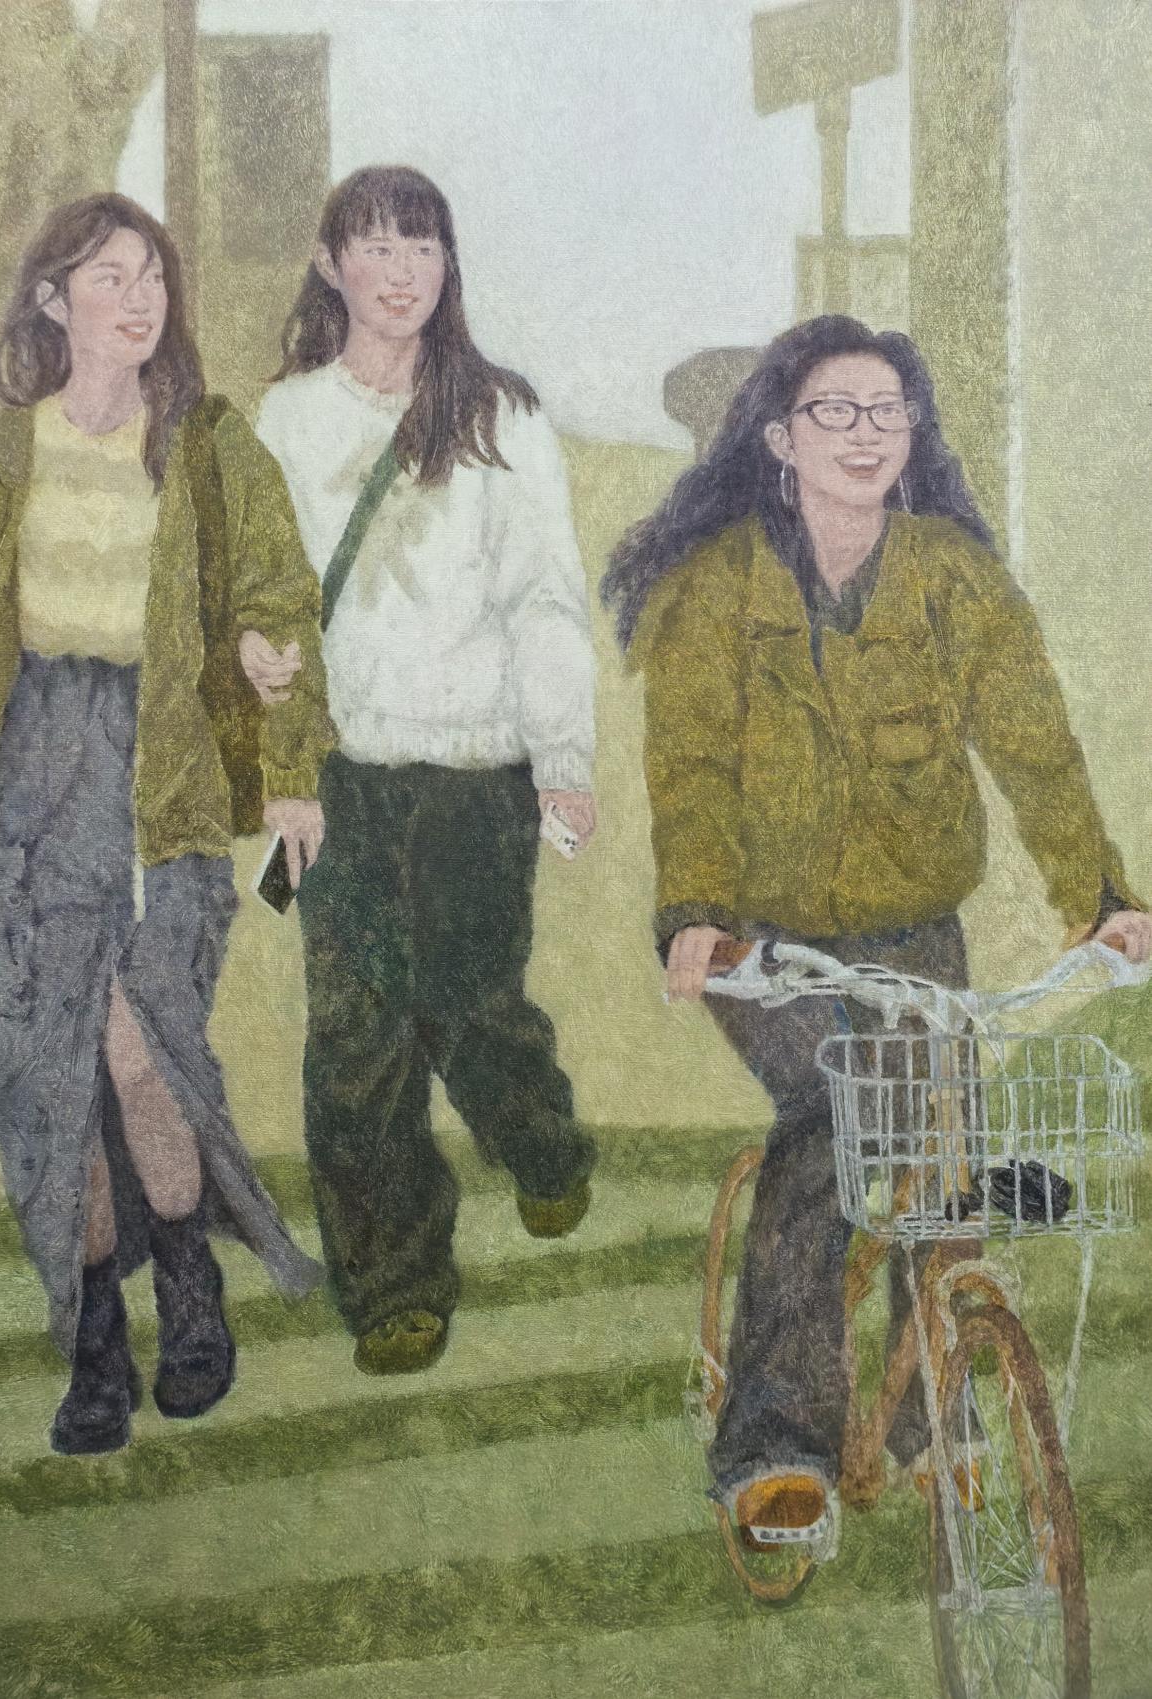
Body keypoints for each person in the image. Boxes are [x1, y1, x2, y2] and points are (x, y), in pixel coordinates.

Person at [601, 314, 1149, 1550]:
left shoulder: (952, 575)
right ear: (779, 437)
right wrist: (697, 918)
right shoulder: (713, 589)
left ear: (912, 435)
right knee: (834, 1115)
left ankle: (933, 1414)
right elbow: (689, 770)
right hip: (762, 940)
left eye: (885, 411)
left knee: (942, 1142)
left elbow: (1033, 745)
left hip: (913, 928)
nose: (862, 433)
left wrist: (1101, 895)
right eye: (833, 411)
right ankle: (775, 1443)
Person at [0, 193, 336, 1456]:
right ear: (53, 300)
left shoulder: (208, 444)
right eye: (108, 276)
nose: (139, 299)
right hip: (32, 783)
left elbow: (278, 600)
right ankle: (96, 1331)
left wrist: (282, 741)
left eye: (152, 275)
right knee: (50, 1074)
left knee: (145, 1053)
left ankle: (190, 1284)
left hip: (163, 779)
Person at [250, 165, 597, 1377]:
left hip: (477, 770)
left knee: (473, 1003)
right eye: (376, 246)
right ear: (329, 262)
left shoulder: (501, 414)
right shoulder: (286, 420)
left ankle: (539, 1141)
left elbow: (546, 598)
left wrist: (562, 760)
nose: (400, 273)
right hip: (344, 775)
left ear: (448, 267)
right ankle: (393, 1284)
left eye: (422, 248)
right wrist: (276, 744)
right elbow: (263, 601)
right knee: (358, 1039)